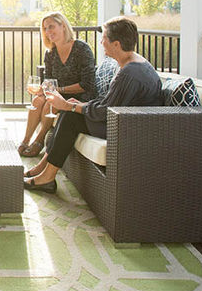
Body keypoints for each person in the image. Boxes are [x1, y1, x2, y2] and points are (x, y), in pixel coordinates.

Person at [23, 16, 163, 193]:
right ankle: (44, 170)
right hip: (126, 120)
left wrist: (71, 106)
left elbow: (105, 112)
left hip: (130, 129)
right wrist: (77, 105)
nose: (102, 42)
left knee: (70, 116)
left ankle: (46, 177)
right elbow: (111, 104)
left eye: (104, 38)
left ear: (116, 44)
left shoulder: (129, 73)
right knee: (69, 113)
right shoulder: (132, 63)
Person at [18, 12, 96, 157]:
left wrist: (57, 90)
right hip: (57, 92)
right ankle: (25, 140)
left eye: (51, 27)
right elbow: (48, 79)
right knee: (37, 100)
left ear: (63, 26)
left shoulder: (82, 49)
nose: (48, 32)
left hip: (80, 95)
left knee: (50, 104)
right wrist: (43, 89)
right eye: (45, 29)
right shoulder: (50, 53)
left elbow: (87, 84)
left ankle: (39, 141)